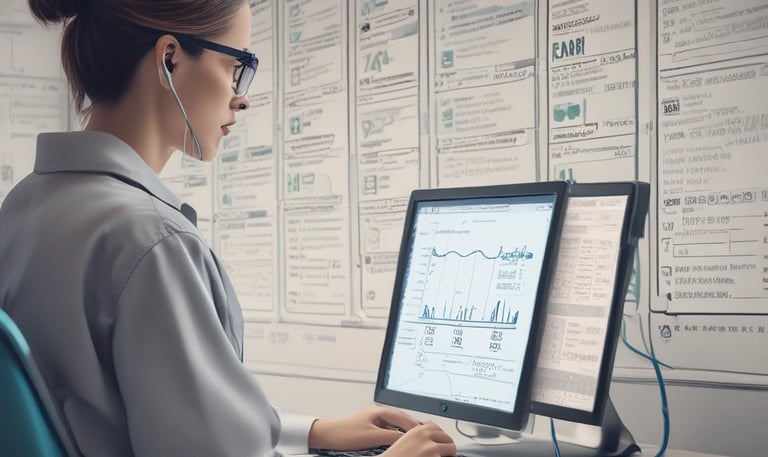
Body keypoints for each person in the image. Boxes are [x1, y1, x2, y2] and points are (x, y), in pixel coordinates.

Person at [0, 1, 457, 456]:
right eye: (236, 65)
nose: (242, 96)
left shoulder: (22, 207)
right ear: (169, 60)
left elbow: (118, 410)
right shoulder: (151, 239)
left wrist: (313, 431)